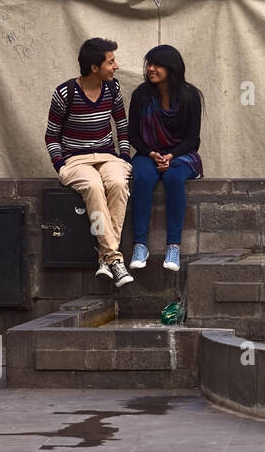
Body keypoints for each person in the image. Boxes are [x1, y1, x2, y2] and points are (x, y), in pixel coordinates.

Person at [45, 37, 133, 287]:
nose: (115, 66)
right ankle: (114, 259)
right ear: (95, 67)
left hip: (108, 156)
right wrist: (60, 165)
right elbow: (51, 135)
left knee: (117, 183)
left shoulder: (113, 89)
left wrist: (124, 156)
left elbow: (122, 127)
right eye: (111, 61)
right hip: (75, 160)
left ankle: (105, 257)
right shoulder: (65, 93)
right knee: (94, 187)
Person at [127, 45, 203, 273]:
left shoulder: (190, 96)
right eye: (149, 64)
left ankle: (173, 246)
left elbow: (193, 139)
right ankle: (140, 245)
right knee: (143, 177)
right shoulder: (141, 95)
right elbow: (133, 135)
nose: (151, 69)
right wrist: (151, 153)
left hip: (181, 155)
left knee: (173, 178)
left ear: (171, 68)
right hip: (147, 153)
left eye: (157, 65)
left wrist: (171, 155)